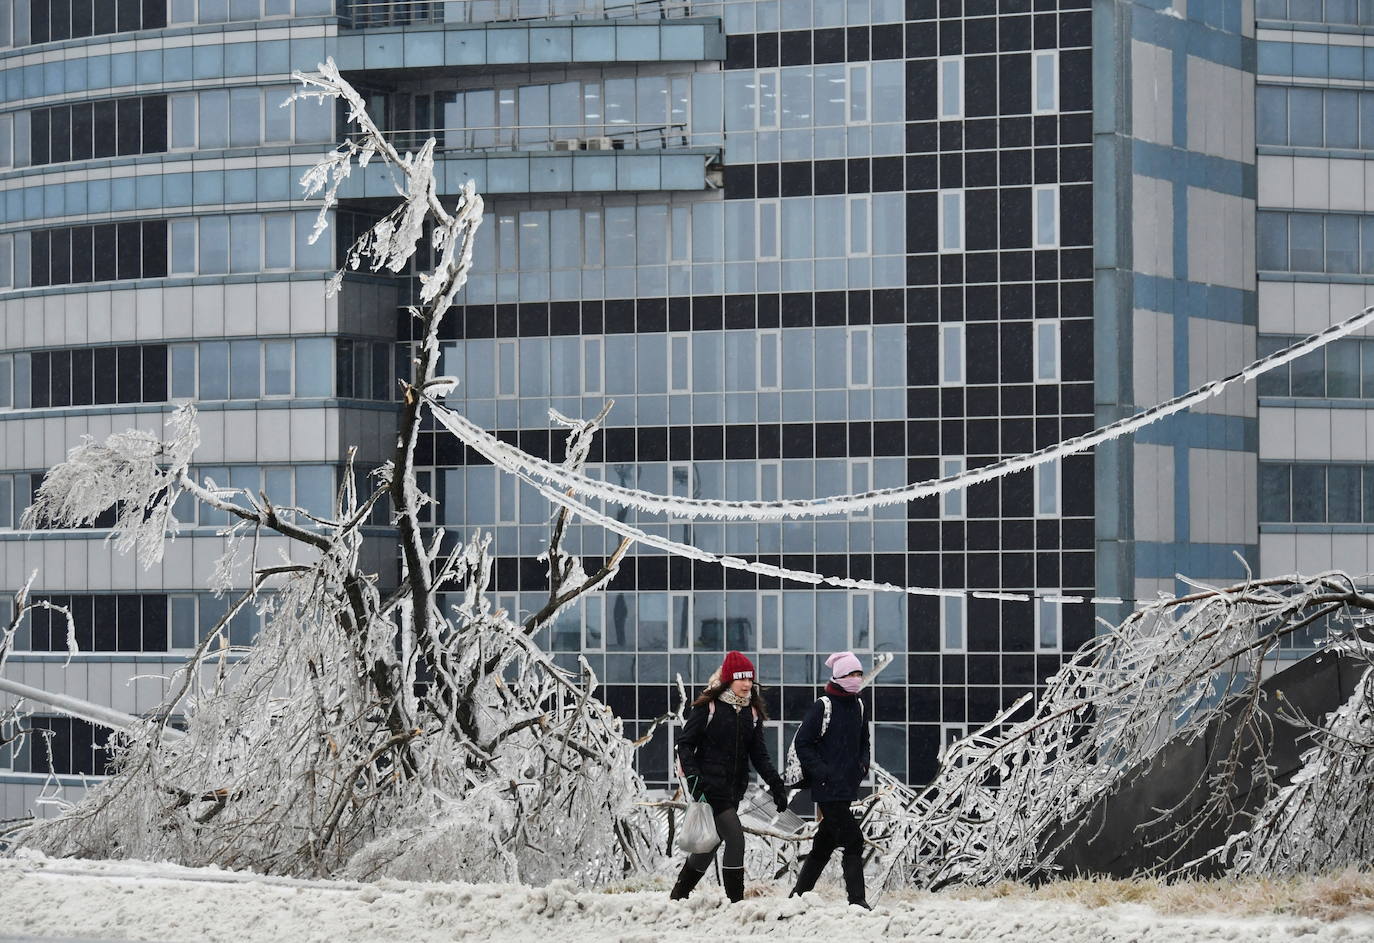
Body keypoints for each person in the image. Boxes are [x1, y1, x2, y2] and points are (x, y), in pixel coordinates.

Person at [669, 650, 789, 903]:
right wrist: (694, 781)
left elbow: (759, 755)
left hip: (733, 790)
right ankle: (736, 902)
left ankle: (678, 896)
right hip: (710, 789)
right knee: (736, 839)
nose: (747, 684)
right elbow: (685, 744)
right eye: (741, 678)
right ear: (728, 680)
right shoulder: (709, 707)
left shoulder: (751, 712)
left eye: (750, 679)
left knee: (708, 847)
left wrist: (777, 784)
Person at [789, 651, 872, 909]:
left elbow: (863, 741)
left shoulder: (858, 705)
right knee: (854, 840)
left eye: (859, 674)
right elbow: (803, 742)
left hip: (846, 786)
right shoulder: (823, 705)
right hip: (826, 788)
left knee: (824, 844)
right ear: (838, 676)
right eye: (851, 674)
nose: (856, 679)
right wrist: (822, 771)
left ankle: (798, 897)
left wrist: (862, 765)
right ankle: (857, 901)